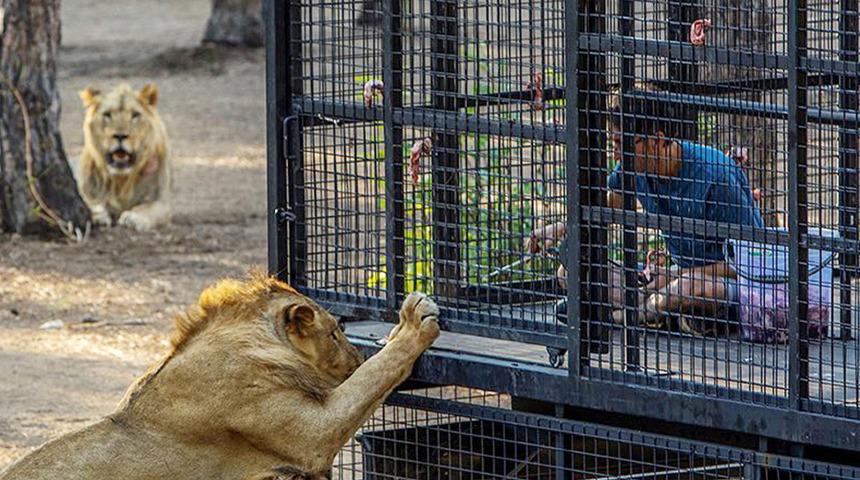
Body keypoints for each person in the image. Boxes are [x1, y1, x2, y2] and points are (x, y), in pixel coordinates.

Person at [527, 92, 765, 328]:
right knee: (569, 272)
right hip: (669, 278)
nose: (615, 154)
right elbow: (609, 206)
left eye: (622, 143)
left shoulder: (717, 176)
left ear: (656, 139)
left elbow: (754, 264)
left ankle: (619, 318)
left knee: (687, 287)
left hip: (726, 284)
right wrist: (560, 228)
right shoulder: (632, 167)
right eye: (613, 143)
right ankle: (666, 312)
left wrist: (674, 277)